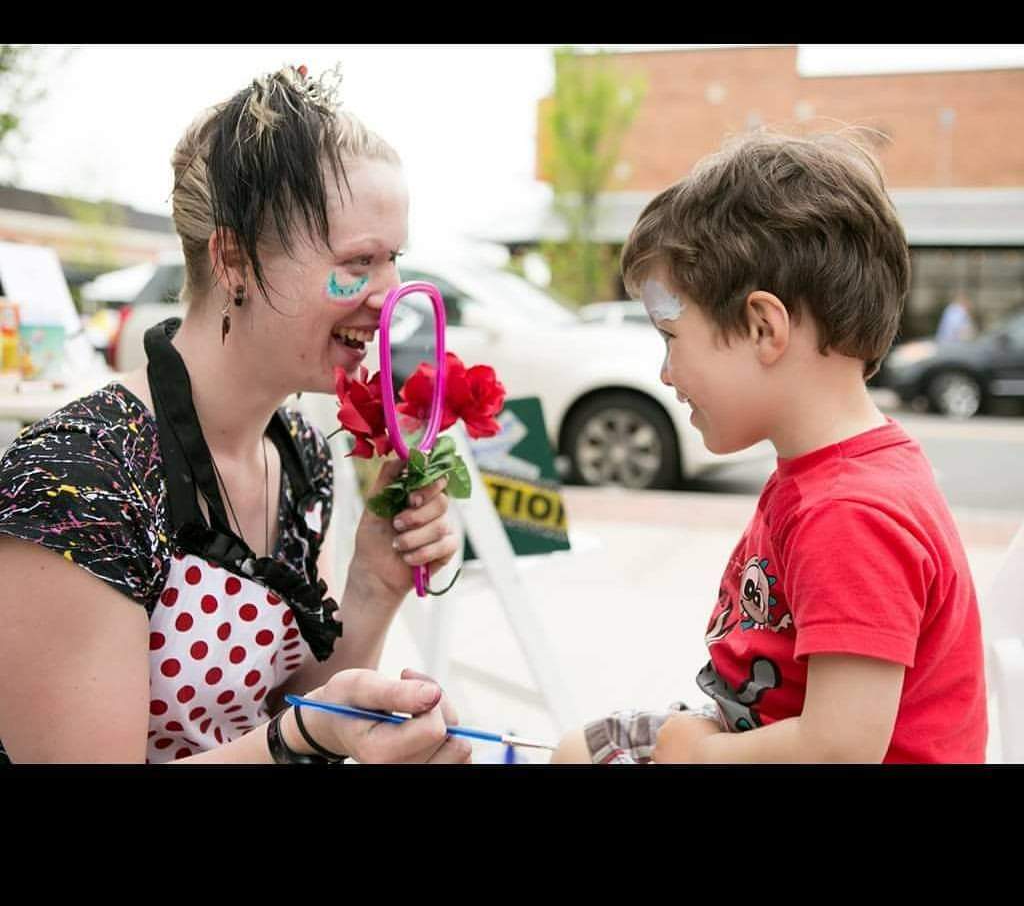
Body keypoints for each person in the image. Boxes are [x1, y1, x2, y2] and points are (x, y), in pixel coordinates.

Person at [0, 64, 470, 765]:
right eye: (359, 261)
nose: (391, 295)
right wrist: (301, 740)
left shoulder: (301, 453)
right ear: (234, 259)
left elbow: (285, 708)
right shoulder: (77, 481)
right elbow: (289, 733)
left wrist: (372, 585)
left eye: (394, 259)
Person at [552, 129, 987, 764]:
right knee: (577, 750)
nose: (666, 373)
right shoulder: (831, 476)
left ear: (763, 327)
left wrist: (700, 756)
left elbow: (839, 749)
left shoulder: (851, 514)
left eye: (672, 336)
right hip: (754, 735)